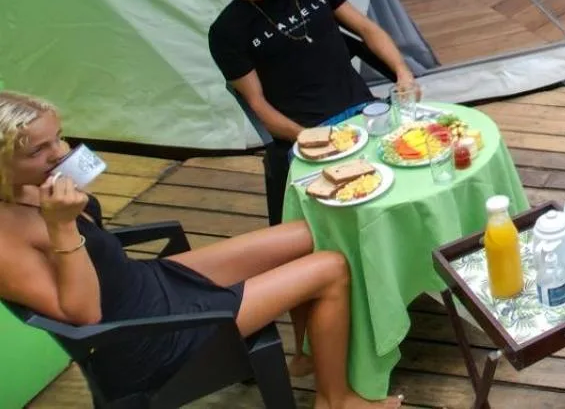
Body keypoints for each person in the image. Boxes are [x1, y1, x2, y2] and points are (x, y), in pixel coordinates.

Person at [0, 92, 401, 408]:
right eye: (37, 150)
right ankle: (336, 401)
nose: (60, 153)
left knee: (306, 234)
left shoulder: (33, 185)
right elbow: (85, 317)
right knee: (331, 267)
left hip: (146, 284)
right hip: (142, 339)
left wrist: (69, 211)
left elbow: (94, 255)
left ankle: (308, 354)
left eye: (58, 137)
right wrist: (63, 225)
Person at [209, 0, 418, 225]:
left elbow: (366, 29)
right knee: (358, 204)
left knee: (420, 164)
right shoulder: (229, 30)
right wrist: (310, 138)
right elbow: (258, 105)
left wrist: (403, 72)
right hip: (308, 135)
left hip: (366, 113)